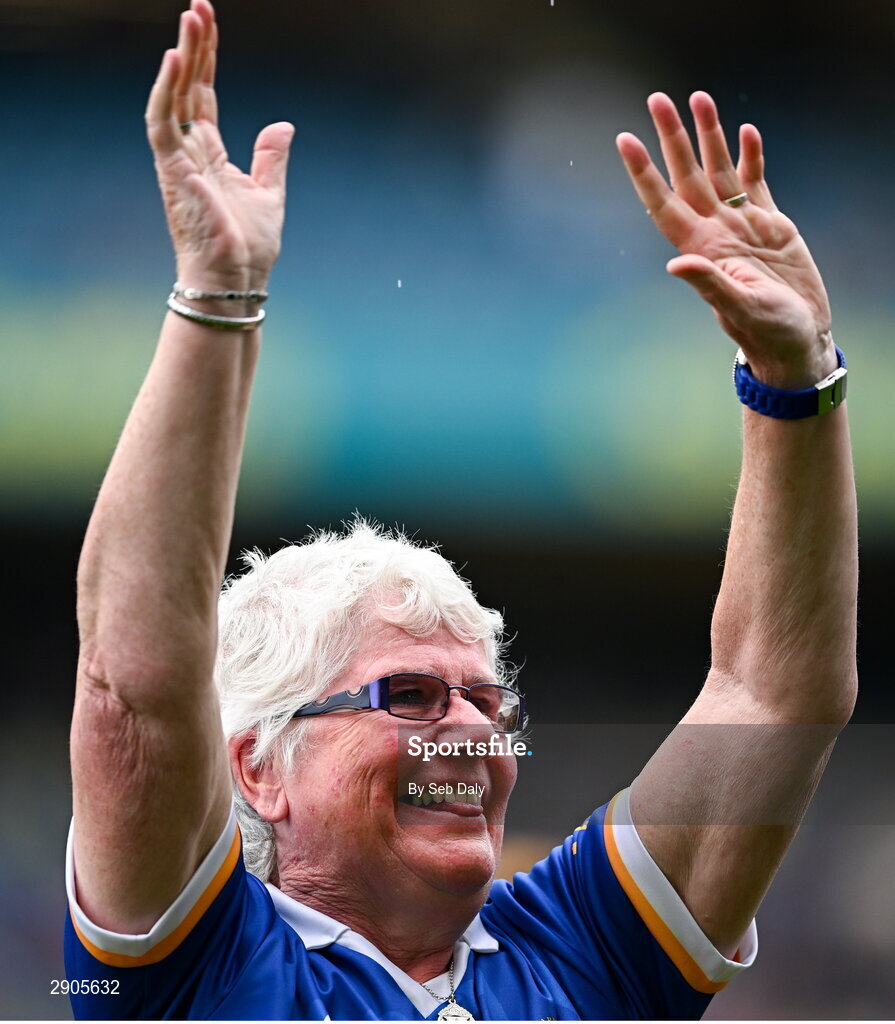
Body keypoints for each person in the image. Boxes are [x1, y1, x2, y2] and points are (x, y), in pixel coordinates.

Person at [63, 1, 858, 1019]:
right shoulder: (195, 969)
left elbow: (770, 699)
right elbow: (132, 689)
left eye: (486, 703)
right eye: (408, 697)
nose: (472, 735)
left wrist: (794, 380)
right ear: (258, 767)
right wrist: (218, 296)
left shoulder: (582, 947)